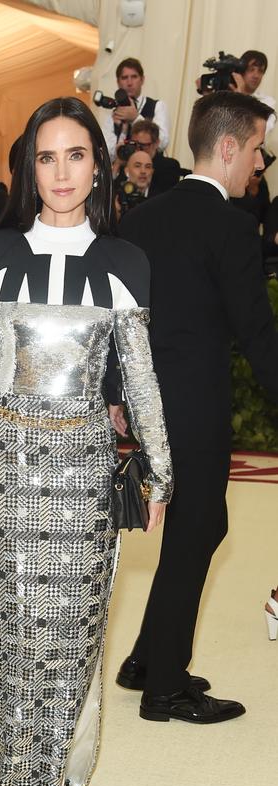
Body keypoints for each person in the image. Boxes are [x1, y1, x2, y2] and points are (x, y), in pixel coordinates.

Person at [0, 96, 172, 786]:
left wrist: (162, 476)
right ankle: (17, 773)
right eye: (46, 157)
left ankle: (51, 776)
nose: (61, 172)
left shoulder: (125, 263)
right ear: (28, 167)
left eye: (75, 155)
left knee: (74, 629)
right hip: (8, 472)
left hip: (83, 467)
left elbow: (140, 382)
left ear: (98, 165)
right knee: (13, 629)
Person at [116, 90, 278, 723]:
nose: (259, 164)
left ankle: (144, 661)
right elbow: (257, 332)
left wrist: (116, 397)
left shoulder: (141, 219)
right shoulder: (233, 227)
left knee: (193, 529)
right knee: (198, 529)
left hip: (148, 404)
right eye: (258, 149)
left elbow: (116, 317)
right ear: (230, 147)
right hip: (198, 405)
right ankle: (166, 687)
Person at [99, 58, 171, 161]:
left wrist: (136, 118)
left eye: (134, 77)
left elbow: (162, 143)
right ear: (118, 82)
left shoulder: (157, 106)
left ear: (142, 80)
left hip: (153, 172)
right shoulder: (112, 115)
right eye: (124, 78)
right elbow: (107, 155)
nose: (129, 83)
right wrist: (121, 131)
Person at [129, 119, 182, 195]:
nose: (138, 149)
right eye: (134, 145)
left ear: (156, 143)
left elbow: (163, 197)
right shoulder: (127, 162)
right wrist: (117, 165)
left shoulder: (169, 166)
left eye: (143, 146)